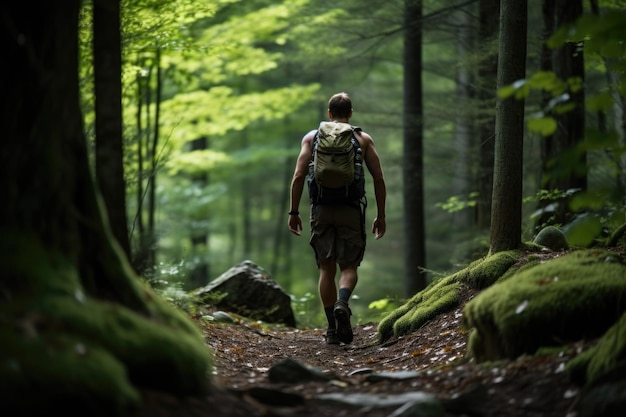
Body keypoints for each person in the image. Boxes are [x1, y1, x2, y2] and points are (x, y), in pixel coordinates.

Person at [288, 92, 387, 345]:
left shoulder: (312, 138)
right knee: (349, 267)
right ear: (350, 113)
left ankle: (332, 329)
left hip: (321, 209)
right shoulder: (362, 139)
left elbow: (299, 176)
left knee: (326, 267)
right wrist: (381, 215)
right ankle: (343, 302)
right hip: (350, 210)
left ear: (329, 113)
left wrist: (294, 212)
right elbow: (378, 178)